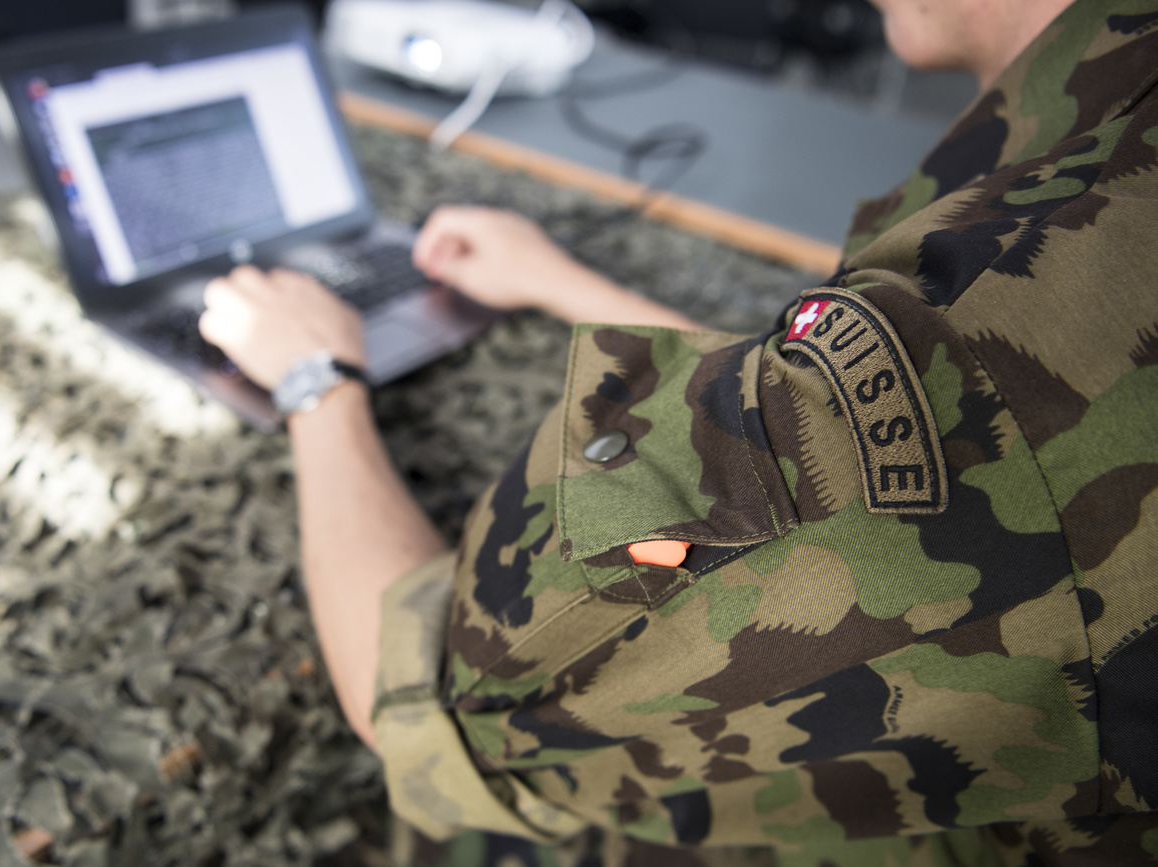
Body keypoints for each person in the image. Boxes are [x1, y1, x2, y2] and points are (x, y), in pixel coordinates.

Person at [198, 0, 1158, 862]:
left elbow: (422, 693)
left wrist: (315, 376)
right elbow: (868, 410)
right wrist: (562, 285)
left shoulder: (1004, 363)